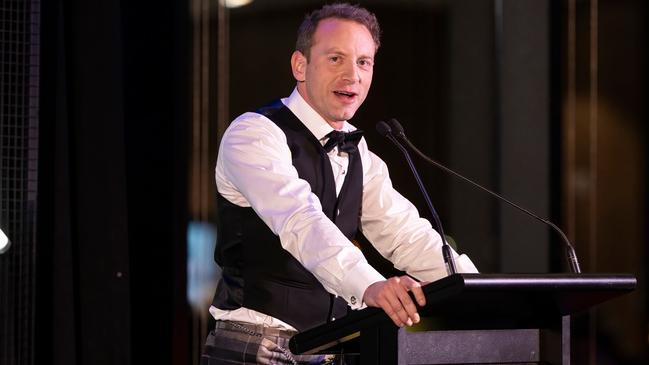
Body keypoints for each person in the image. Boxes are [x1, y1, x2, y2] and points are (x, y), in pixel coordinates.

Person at [201, 3, 478, 364]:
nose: (353, 75)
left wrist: (478, 290)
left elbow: (405, 234)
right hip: (257, 348)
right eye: (336, 59)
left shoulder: (359, 152)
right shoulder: (254, 134)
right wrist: (371, 285)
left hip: (329, 349)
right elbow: (301, 222)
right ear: (300, 65)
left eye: (364, 62)